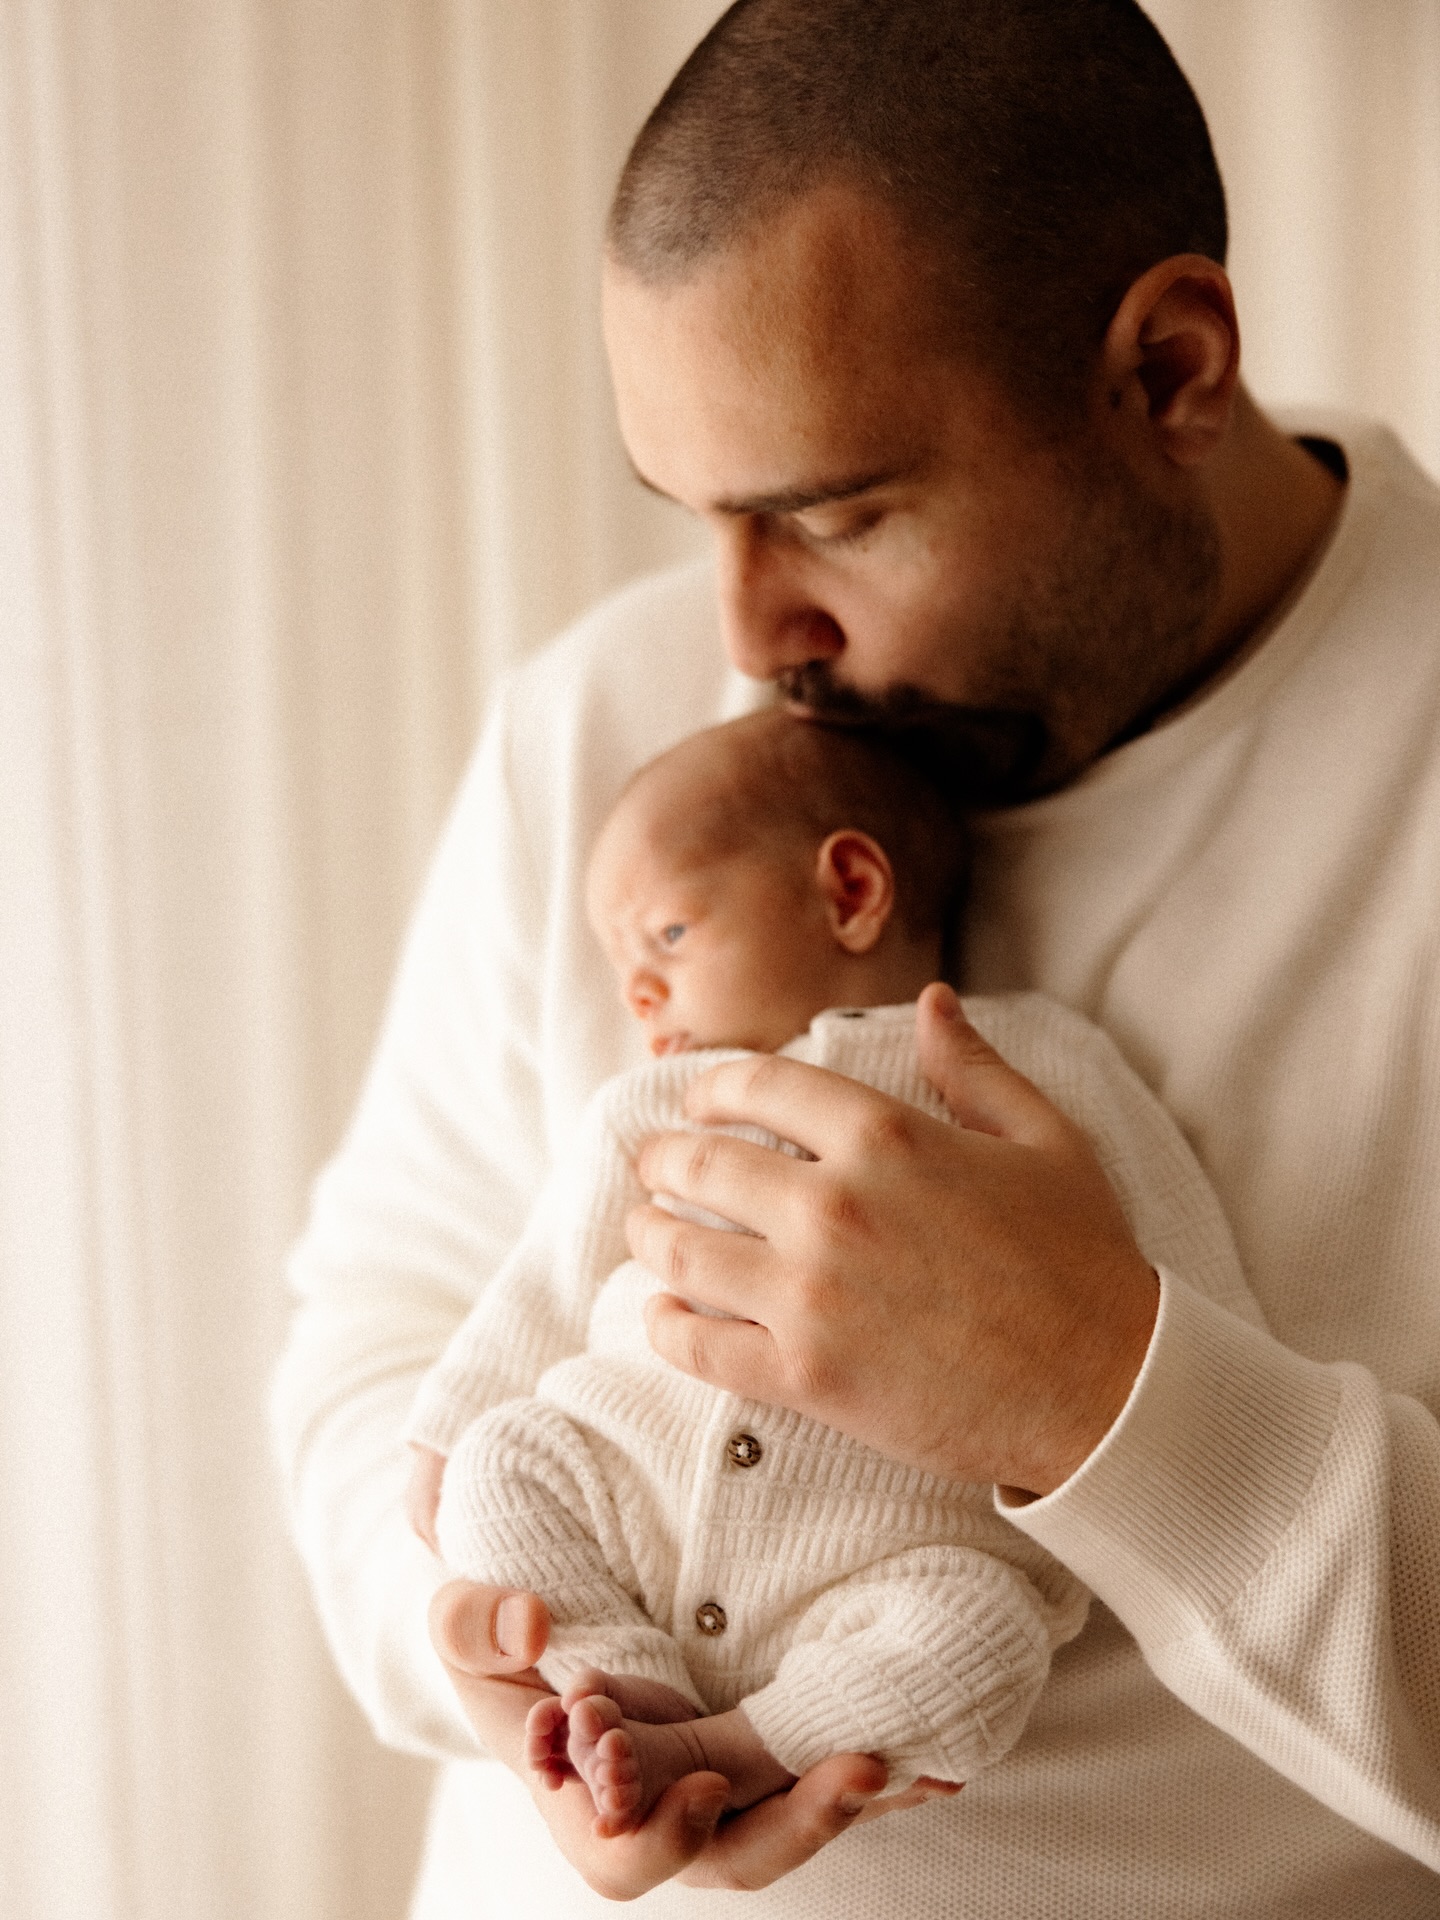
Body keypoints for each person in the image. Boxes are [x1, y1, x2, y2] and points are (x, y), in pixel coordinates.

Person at [273, 2, 1440, 1913]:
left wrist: (1107, 1391)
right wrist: (494, 1649)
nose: (744, 633)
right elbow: (377, 1331)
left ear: (1169, 369)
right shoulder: (609, 739)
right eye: (702, 520)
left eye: (834, 514)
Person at [403, 711, 1259, 1836]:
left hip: (891, 1560)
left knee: (985, 1633)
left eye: (666, 935)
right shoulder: (651, 1107)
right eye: (623, 971)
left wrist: (1212, 1379)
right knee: (501, 1466)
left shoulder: (1039, 1067)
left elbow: (1195, 1299)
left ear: (850, 889)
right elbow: (546, 1287)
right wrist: (444, 1435)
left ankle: (743, 1748)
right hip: (637, 1496)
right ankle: (623, 1684)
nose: (640, 996)